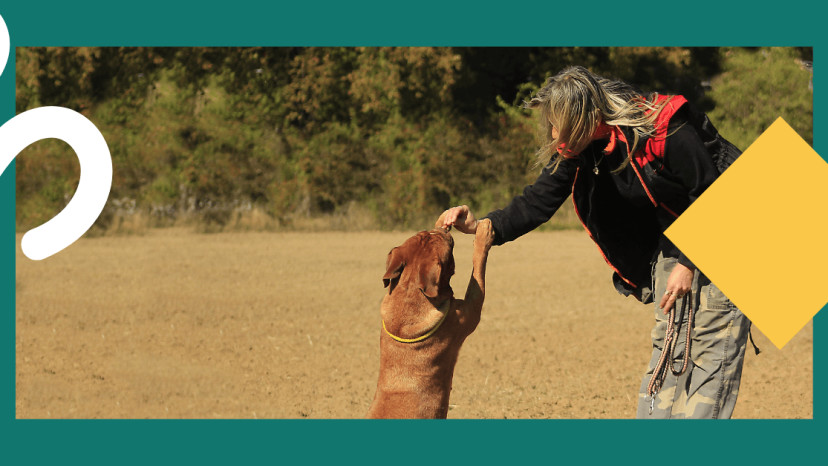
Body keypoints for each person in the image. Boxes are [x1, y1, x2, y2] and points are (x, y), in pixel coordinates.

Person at [439, 66, 752, 419]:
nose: (553, 133)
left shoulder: (664, 127)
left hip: (730, 224)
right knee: (670, 339)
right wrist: (483, 226)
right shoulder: (580, 145)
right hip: (678, 233)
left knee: (712, 343)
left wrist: (687, 263)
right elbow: (538, 200)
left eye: (559, 123)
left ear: (585, 117)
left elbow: (710, 193)